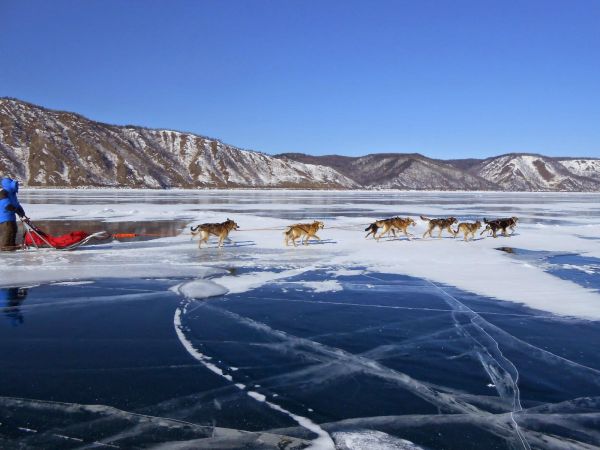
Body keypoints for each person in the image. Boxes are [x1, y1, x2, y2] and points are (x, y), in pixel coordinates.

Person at [0, 177, 28, 251]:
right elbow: (6, 205)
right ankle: (5, 245)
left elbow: (16, 204)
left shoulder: (12, 194)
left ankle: (11, 244)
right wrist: (14, 209)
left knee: (14, 229)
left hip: (11, 217)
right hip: (4, 217)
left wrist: (21, 211)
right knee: (8, 230)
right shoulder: (3, 193)